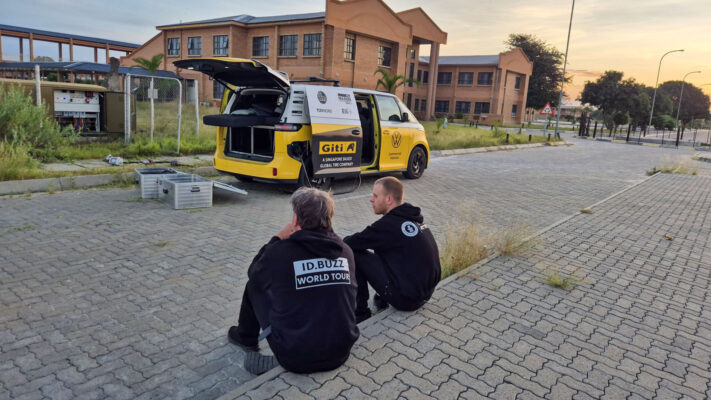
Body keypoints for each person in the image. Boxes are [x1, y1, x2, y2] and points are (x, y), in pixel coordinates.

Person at [228, 187, 359, 374]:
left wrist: (277, 238)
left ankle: (246, 338)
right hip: (341, 351)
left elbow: (253, 272)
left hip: (294, 357)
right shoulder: (345, 250)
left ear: (295, 219)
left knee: (254, 285)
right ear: (330, 217)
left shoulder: (280, 252)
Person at [344, 176, 441, 322]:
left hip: (407, 300)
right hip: (425, 294)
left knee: (353, 252)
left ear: (388, 199)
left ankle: (361, 313)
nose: (371, 200)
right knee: (386, 248)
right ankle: (382, 299)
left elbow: (349, 242)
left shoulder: (388, 226)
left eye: (375, 196)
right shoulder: (410, 218)